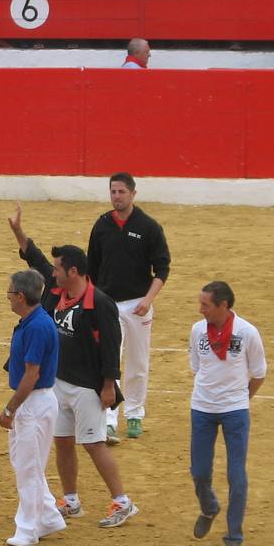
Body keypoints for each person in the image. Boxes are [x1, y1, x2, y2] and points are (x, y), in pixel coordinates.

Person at [8, 206, 138, 528]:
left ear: (75, 272)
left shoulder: (100, 303)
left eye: (58, 269)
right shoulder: (58, 292)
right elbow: (36, 262)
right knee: (63, 441)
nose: (52, 273)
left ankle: (122, 501)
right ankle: (71, 499)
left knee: (93, 443)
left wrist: (109, 385)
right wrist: (20, 234)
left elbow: (111, 346)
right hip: (60, 382)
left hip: (89, 386)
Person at [86, 173, 170, 443]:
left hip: (138, 305)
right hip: (108, 304)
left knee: (138, 362)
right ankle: (109, 419)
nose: (117, 196)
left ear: (133, 193)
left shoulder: (149, 227)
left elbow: (162, 268)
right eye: (113, 191)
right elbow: (92, 270)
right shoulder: (101, 226)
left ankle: (134, 413)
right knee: (110, 361)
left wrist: (148, 299)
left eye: (122, 192)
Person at [188, 281, 267, 546]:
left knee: (236, 475)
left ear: (223, 305)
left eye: (205, 305)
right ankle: (209, 507)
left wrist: (241, 400)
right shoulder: (198, 330)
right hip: (202, 408)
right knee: (199, 471)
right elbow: (196, 367)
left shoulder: (247, 333)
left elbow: (258, 374)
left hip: (235, 410)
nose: (201, 310)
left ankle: (234, 533)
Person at [0, 269, 67, 546]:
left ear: (21, 296)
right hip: (34, 401)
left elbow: (32, 373)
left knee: (28, 467)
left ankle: (27, 528)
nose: (8, 298)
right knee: (24, 461)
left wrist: (11, 409)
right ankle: (48, 515)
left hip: (33, 402)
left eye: (10, 293)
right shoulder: (33, 321)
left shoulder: (37, 326)